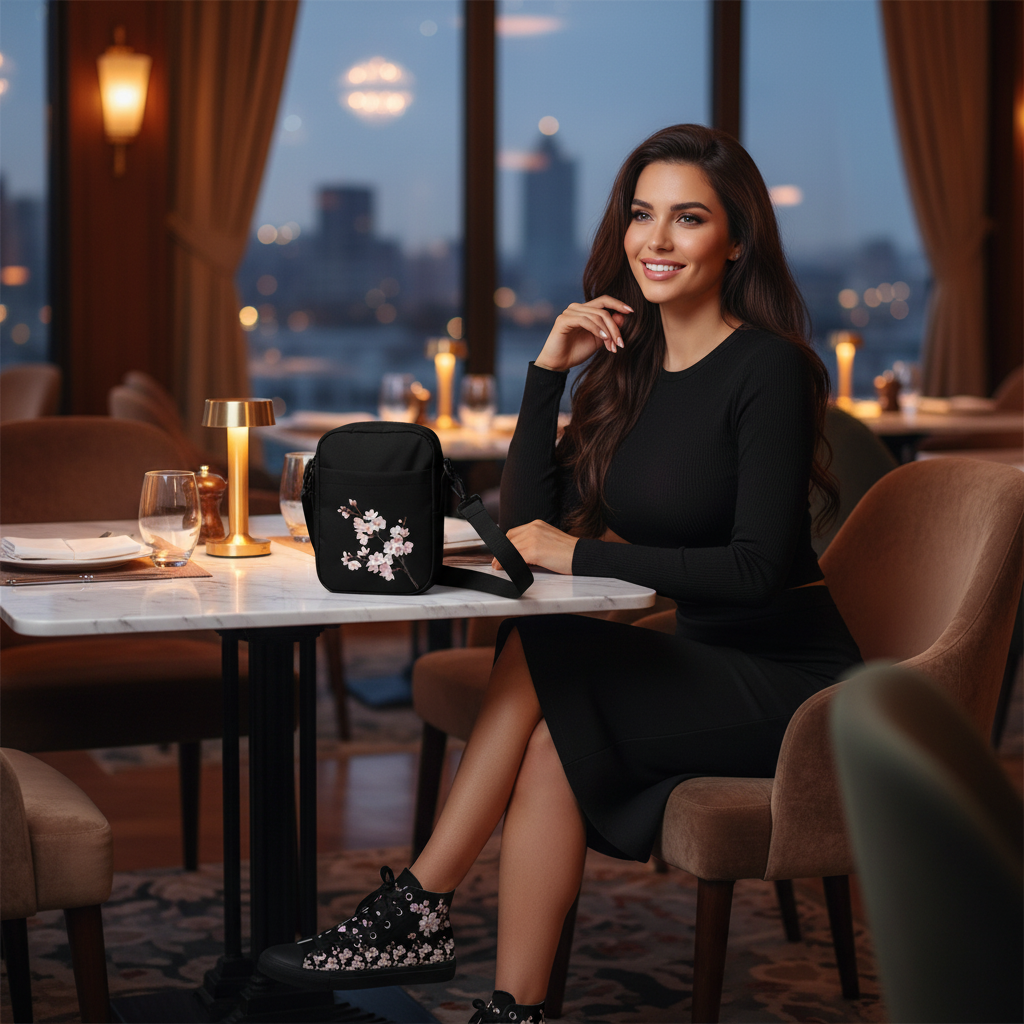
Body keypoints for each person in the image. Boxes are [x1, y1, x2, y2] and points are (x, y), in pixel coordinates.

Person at [258, 124, 863, 1023]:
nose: (655, 241)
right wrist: (547, 374)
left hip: (796, 690)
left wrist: (577, 554)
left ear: (735, 240)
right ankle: (514, 1008)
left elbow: (757, 569)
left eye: (687, 219)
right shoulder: (635, 364)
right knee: (548, 734)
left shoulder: (770, 369)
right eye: (641, 214)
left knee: (545, 653)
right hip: (699, 666)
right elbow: (529, 526)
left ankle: (420, 904)